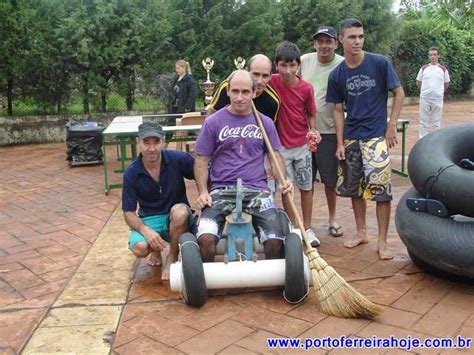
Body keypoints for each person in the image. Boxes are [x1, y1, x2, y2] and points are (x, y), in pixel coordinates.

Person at [194, 69, 293, 262]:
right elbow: (201, 159)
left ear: (254, 93)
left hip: (258, 190)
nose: (240, 97)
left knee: (275, 242)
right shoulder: (213, 122)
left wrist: (284, 181)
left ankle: (272, 283)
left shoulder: (265, 123)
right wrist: (202, 192)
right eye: (235, 91)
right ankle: (205, 281)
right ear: (228, 92)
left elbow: (275, 156)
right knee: (205, 240)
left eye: (245, 92)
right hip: (221, 190)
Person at [326, 18, 405, 260]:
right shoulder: (337, 74)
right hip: (351, 139)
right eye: (351, 37)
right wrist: (340, 142)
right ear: (341, 39)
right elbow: (337, 110)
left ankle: (382, 242)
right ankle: (362, 232)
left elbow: (399, 92)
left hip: (375, 138)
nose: (357, 41)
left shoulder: (379, 63)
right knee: (354, 189)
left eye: (360, 36)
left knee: (382, 192)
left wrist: (391, 126)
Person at [122, 121, 195, 280]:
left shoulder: (178, 159)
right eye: (146, 142)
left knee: (180, 212)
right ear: (138, 143)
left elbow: (202, 171)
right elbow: (128, 213)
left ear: (163, 142)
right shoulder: (131, 172)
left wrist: (205, 194)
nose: (152, 148)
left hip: (177, 217)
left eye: (156, 142)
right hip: (149, 219)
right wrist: (146, 231)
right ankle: (155, 250)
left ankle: (172, 257)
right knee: (140, 248)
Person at [269, 41, 321, 247]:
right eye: (283, 65)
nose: (288, 70)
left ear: (298, 65)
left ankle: (307, 227)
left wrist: (313, 132)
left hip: (302, 146)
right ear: (276, 65)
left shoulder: (306, 88)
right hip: (280, 148)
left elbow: (311, 114)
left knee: (306, 188)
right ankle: (294, 227)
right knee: (286, 189)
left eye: (292, 65)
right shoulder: (271, 82)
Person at [300, 25, 345, 238]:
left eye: (328, 41)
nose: (324, 45)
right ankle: (304, 224)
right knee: (305, 180)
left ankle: (333, 218)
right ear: (314, 43)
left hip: (328, 132)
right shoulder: (304, 60)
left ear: (336, 44)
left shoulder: (343, 64)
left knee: (329, 181)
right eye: (320, 41)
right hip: (304, 131)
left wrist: (341, 139)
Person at [208, 54, 280, 122]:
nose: (259, 81)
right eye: (256, 74)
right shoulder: (228, 87)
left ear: (270, 76)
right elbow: (211, 115)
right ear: (247, 71)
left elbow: (269, 131)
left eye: (265, 76)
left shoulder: (272, 102)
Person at [416, 47, 450, 138]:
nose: (433, 56)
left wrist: (440, 92)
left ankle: (436, 140)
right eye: (431, 55)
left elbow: (446, 83)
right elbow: (418, 82)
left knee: (436, 122)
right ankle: (422, 140)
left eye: (435, 54)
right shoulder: (424, 68)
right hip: (425, 98)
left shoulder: (443, 69)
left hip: (437, 99)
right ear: (429, 56)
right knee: (423, 122)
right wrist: (424, 91)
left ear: (438, 56)